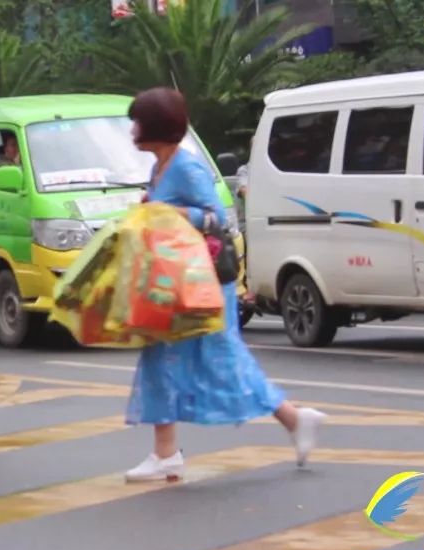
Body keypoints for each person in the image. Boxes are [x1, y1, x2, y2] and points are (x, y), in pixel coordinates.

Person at [122, 87, 327, 482]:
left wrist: (170, 211)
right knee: (157, 355)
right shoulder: (160, 167)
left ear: (156, 127)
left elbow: (217, 219)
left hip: (203, 284)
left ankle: (294, 418)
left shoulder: (187, 167)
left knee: (224, 359)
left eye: (138, 121)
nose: (133, 128)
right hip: (172, 282)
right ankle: (165, 452)